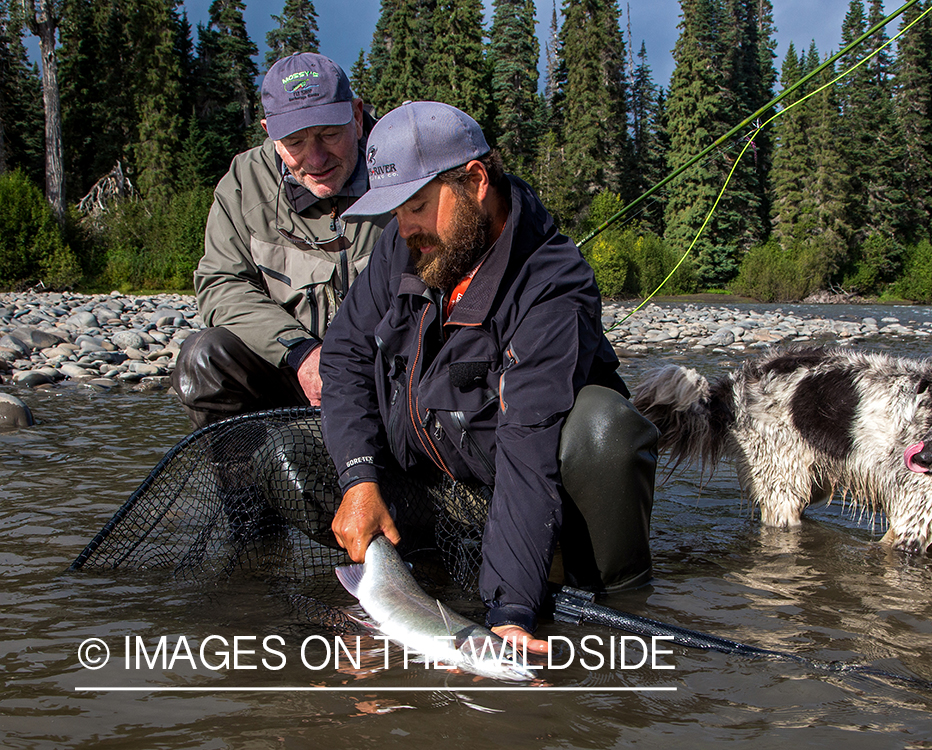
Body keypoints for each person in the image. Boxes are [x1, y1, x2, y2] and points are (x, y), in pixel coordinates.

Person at [319, 101, 659, 653]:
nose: (403, 228)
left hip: (514, 481)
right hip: (418, 477)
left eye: (417, 206)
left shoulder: (553, 286)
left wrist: (510, 611)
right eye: (394, 211)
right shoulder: (404, 244)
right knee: (280, 461)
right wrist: (359, 479)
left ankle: (611, 598)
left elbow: (528, 447)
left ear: (475, 181)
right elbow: (344, 355)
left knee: (603, 427)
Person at [172, 52, 383, 429]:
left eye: (329, 134)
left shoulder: (402, 168)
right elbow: (222, 283)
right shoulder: (244, 181)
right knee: (202, 358)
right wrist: (300, 352)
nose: (315, 157)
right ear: (270, 132)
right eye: (295, 142)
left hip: (387, 373)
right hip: (290, 370)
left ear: (355, 114)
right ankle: (243, 488)